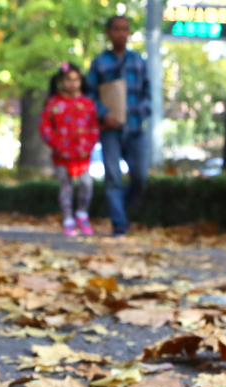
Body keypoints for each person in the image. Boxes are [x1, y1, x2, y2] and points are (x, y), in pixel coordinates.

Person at [84, 15, 150, 237]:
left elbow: (148, 96)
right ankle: (119, 224)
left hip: (135, 130)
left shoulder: (139, 62)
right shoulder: (99, 63)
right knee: (112, 177)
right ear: (109, 33)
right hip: (110, 131)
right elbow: (89, 95)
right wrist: (104, 115)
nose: (122, 33)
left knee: (140, 177)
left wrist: (139, 113)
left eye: (126, 29)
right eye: (118, 29)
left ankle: (120, 207)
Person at [39, 63, 99, 237]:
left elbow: (94, 127)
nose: (72, 83)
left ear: (81, 81)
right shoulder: (53, 103)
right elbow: (45, 126)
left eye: (76, 80)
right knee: (66, 187)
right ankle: (67, 219)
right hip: (61, 155)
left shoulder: (87, 103)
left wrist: (88, 145)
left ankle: (82, 213)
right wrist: (56, 143)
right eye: (68, 80)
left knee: (86, 184)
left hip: (82, 154)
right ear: (61, 81)